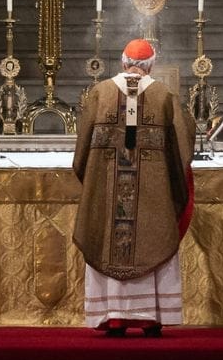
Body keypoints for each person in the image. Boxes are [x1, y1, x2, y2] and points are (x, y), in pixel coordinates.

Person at [72, 38, 194, 337]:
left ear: (123, 62)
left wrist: (96, 182)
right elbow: (182, 150)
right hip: (152, 196)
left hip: (108, 191)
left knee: (107, 234)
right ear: (151, 66)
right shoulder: (164, 95)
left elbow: (81, 154)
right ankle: (151, 319)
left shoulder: (100, 92)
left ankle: (113, 318)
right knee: (152, 234)